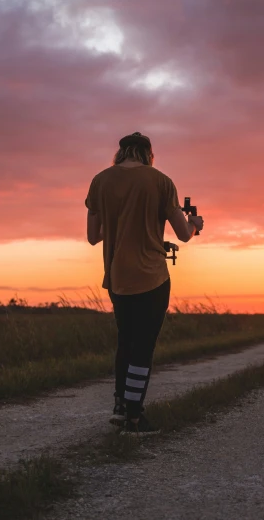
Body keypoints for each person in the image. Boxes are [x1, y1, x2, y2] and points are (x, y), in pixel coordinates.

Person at [85, 132, 204, 435]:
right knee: (144, 345)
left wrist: (118, 222)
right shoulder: (161, 181)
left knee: (126, 340)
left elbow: (92, 236)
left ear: (121, 153)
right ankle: (135, 418)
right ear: (149, 154)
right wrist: (195, 223)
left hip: (116, 275)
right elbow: (182, 234)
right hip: (152, 275)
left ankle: (121, 405)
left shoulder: (100, 181)